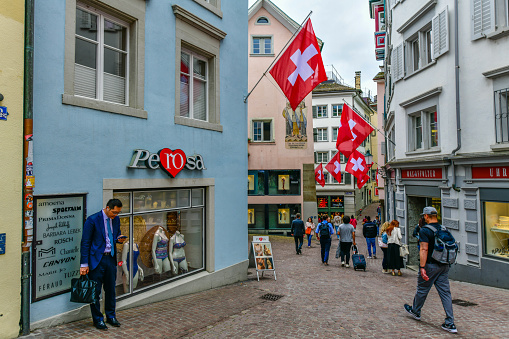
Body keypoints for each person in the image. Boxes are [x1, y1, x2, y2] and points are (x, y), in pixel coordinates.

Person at [404, 207, 457, 333]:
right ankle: (450, 322)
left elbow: (424, 249)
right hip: (444, 265)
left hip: (430, 265)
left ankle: (416, 311)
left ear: (426, 216)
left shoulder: (425, 230)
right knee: (445, 293)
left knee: (422, 289)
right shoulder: (443, 228)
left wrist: (422, 267)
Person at [80, 199, 127, 330]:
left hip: (110, 259)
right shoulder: (93, 220)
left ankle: (111, 316)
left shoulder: (116, 220)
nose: (115, 215)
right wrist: (84, 264)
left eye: (118, 213)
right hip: (96, 261)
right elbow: (85, 242)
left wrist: (118, 239)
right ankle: (98, 319)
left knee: (111, 290)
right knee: (95, 292)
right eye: (113, 212)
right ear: (107, 208)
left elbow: (115, 235)